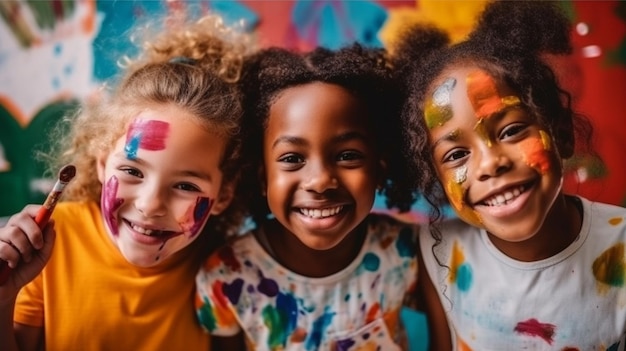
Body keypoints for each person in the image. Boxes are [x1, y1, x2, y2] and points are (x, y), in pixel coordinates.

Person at [0, 13, 254, 351]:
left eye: (186, 186)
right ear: (102, 163)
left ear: (223, 194)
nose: (150, 205)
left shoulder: (225, 270)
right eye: (133, 171)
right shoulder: (50, 245)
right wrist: (4, 298)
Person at [393, 1, 626, 349]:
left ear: (560, 133)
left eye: (512, 131)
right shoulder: (440, 250)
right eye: (456, 154)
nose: (490, 164)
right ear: (435, 177)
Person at [194, 43, 424, 350]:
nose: (319, 181)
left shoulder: (406, 252)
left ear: (380, 168)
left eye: (347, 155)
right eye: (291, 158)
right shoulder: (227, 276)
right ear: (262, 177)